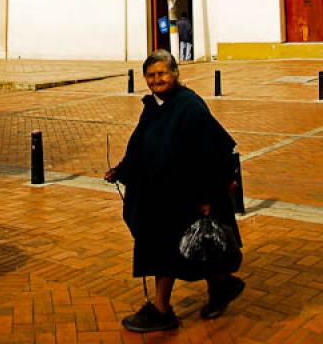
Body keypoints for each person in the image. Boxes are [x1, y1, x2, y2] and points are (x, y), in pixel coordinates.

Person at [104, 50, 244, 334]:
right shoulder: (154, 105)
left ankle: (161, 309)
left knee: (171, 249)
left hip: (187, 195)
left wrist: (207, 197)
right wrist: (122, 170)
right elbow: (141, 144)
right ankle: (221, 285)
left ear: (175, 74)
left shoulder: (190, 106)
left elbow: (212, 151)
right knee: (184, 250)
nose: (157, 80)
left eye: (162, 73)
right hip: (158, 194)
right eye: (151, 75)